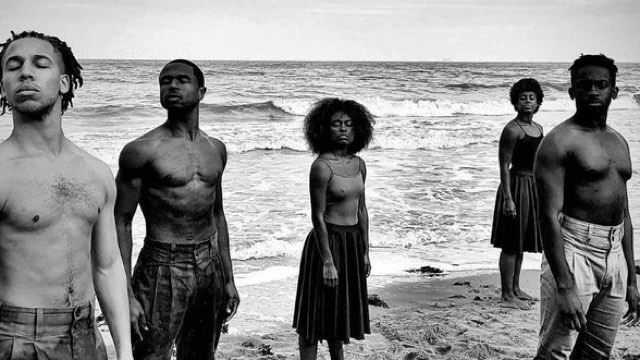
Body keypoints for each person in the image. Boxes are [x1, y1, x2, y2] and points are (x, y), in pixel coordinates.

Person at [0, 31, 133, 359]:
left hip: (87, 333)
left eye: (40, 64)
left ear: (64, 83)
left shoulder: (97, 173)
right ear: (2, 87)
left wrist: (125, 351)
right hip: (16, 336)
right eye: (13, 66)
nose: (26, 72)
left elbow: (108, 266)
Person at [115, 59, 240, 360]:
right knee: (151, 355)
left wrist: (229, 277)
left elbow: (218, 214)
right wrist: (126, 295)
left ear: (201, 92)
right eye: (164, 80)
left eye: (182, 80)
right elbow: (121, 222)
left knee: (200, 353)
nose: (171, 85)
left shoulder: (216, 149)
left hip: (210, 263)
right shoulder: (142, 150)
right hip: (162, 265)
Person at [534, 54, 640, 359]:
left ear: (614, 92)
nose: (593, 91)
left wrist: (632, 280)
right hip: (574, 251)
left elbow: (626, 215)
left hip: (615, 254)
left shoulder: (620, 142)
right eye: (584, 85)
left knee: (596, 354)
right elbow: (548, 216)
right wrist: (564, 286)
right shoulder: (558, 142)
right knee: (555, 353)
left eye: (602, 85)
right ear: (572, 92)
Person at [293, 98, 374, 360]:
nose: (343, 129)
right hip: (326, 244)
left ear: (357, 129)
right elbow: (317, 216)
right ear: (324, 129)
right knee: (313, 317)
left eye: (349, 124)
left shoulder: (359, 164)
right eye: (336, 124)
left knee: (338, 317)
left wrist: (365, 251)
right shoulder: (321, 166)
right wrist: (327, 261)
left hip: (351, 244)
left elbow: (361, 210)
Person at [490, 78, 545, 310]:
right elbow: (503, 166)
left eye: (532, 98)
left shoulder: (539, 128)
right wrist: (508, 198)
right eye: (523, 98)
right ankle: (506, 295)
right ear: (515, 102)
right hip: (515, 186)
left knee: (521, 242)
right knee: (511, 242)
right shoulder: (512, 130)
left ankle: (516, 288)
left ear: (538, 101)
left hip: (531, 187)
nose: (528, 102)